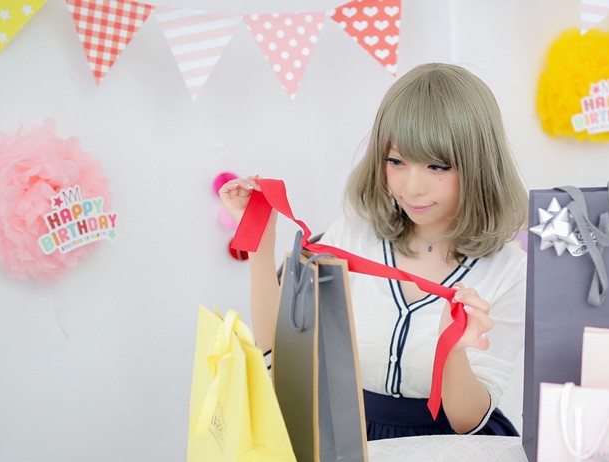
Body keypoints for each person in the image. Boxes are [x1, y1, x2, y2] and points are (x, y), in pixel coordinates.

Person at [218, 63, 527, 440]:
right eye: (396, 162)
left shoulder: (510, 270)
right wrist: (260, 241)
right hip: (354, 444)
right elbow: (276, 353)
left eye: (437, 166)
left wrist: (452, 348)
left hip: (454, 451)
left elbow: (466, 422)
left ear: (479, 164)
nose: (412, 187)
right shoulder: (352, 237)